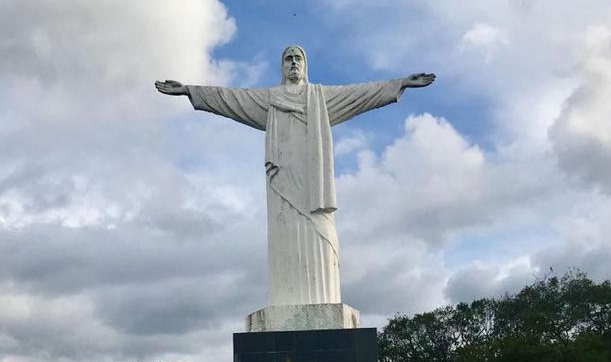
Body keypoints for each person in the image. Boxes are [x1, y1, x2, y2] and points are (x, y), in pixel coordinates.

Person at [156, 45, 435, 307]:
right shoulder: (270, 99)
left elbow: (360, 94)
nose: (292, 62)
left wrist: (399, 84)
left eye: (297, 58)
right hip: (283, 184)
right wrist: (190, 91)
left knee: (320, 232)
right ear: (282, 66)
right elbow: (231, 98)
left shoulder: (320, 97)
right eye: (288, 58)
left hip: (314, 185)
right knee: (285, 232)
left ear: (305, 65)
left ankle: (322, 298)